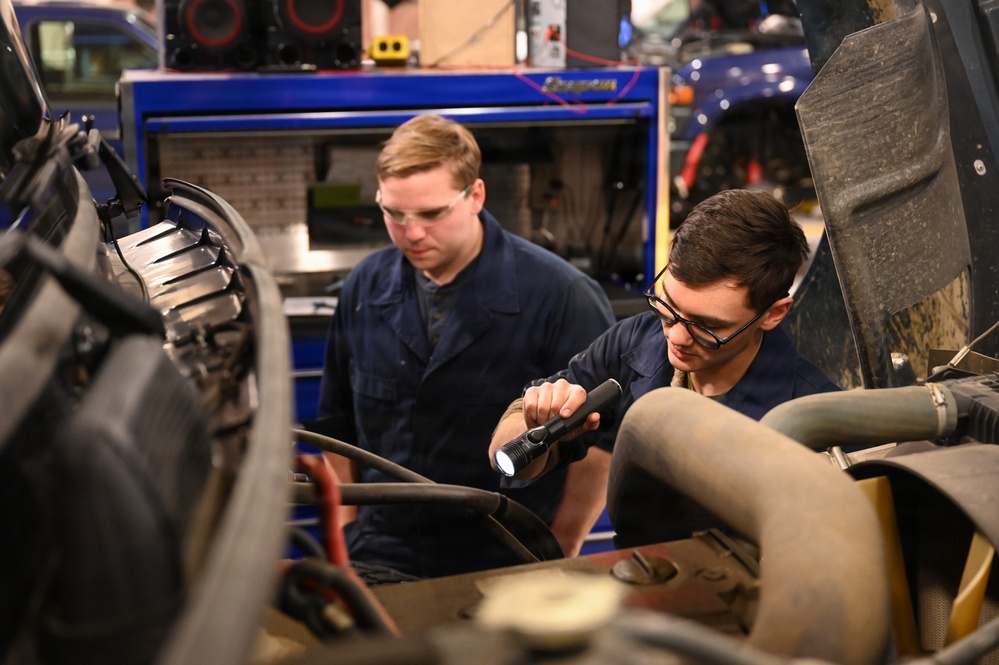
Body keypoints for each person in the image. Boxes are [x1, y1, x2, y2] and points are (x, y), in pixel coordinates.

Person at [313, 113, 615, 579]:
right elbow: (337, 428)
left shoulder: (561, 296)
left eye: (432, 214)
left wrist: (561, 548)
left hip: (505, 555)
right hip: (382, 553)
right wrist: (347, 537)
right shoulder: (363, 287)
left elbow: (601, 447)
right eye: (393, 213)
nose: (411, 233)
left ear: (475, 196)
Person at [489, 188, 840, 552]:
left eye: (707, 326)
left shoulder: (817, 419)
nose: (676, 336)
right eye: (668, 306)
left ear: (773, 314)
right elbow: (505, 457)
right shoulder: (634, 344)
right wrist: (533, 424)